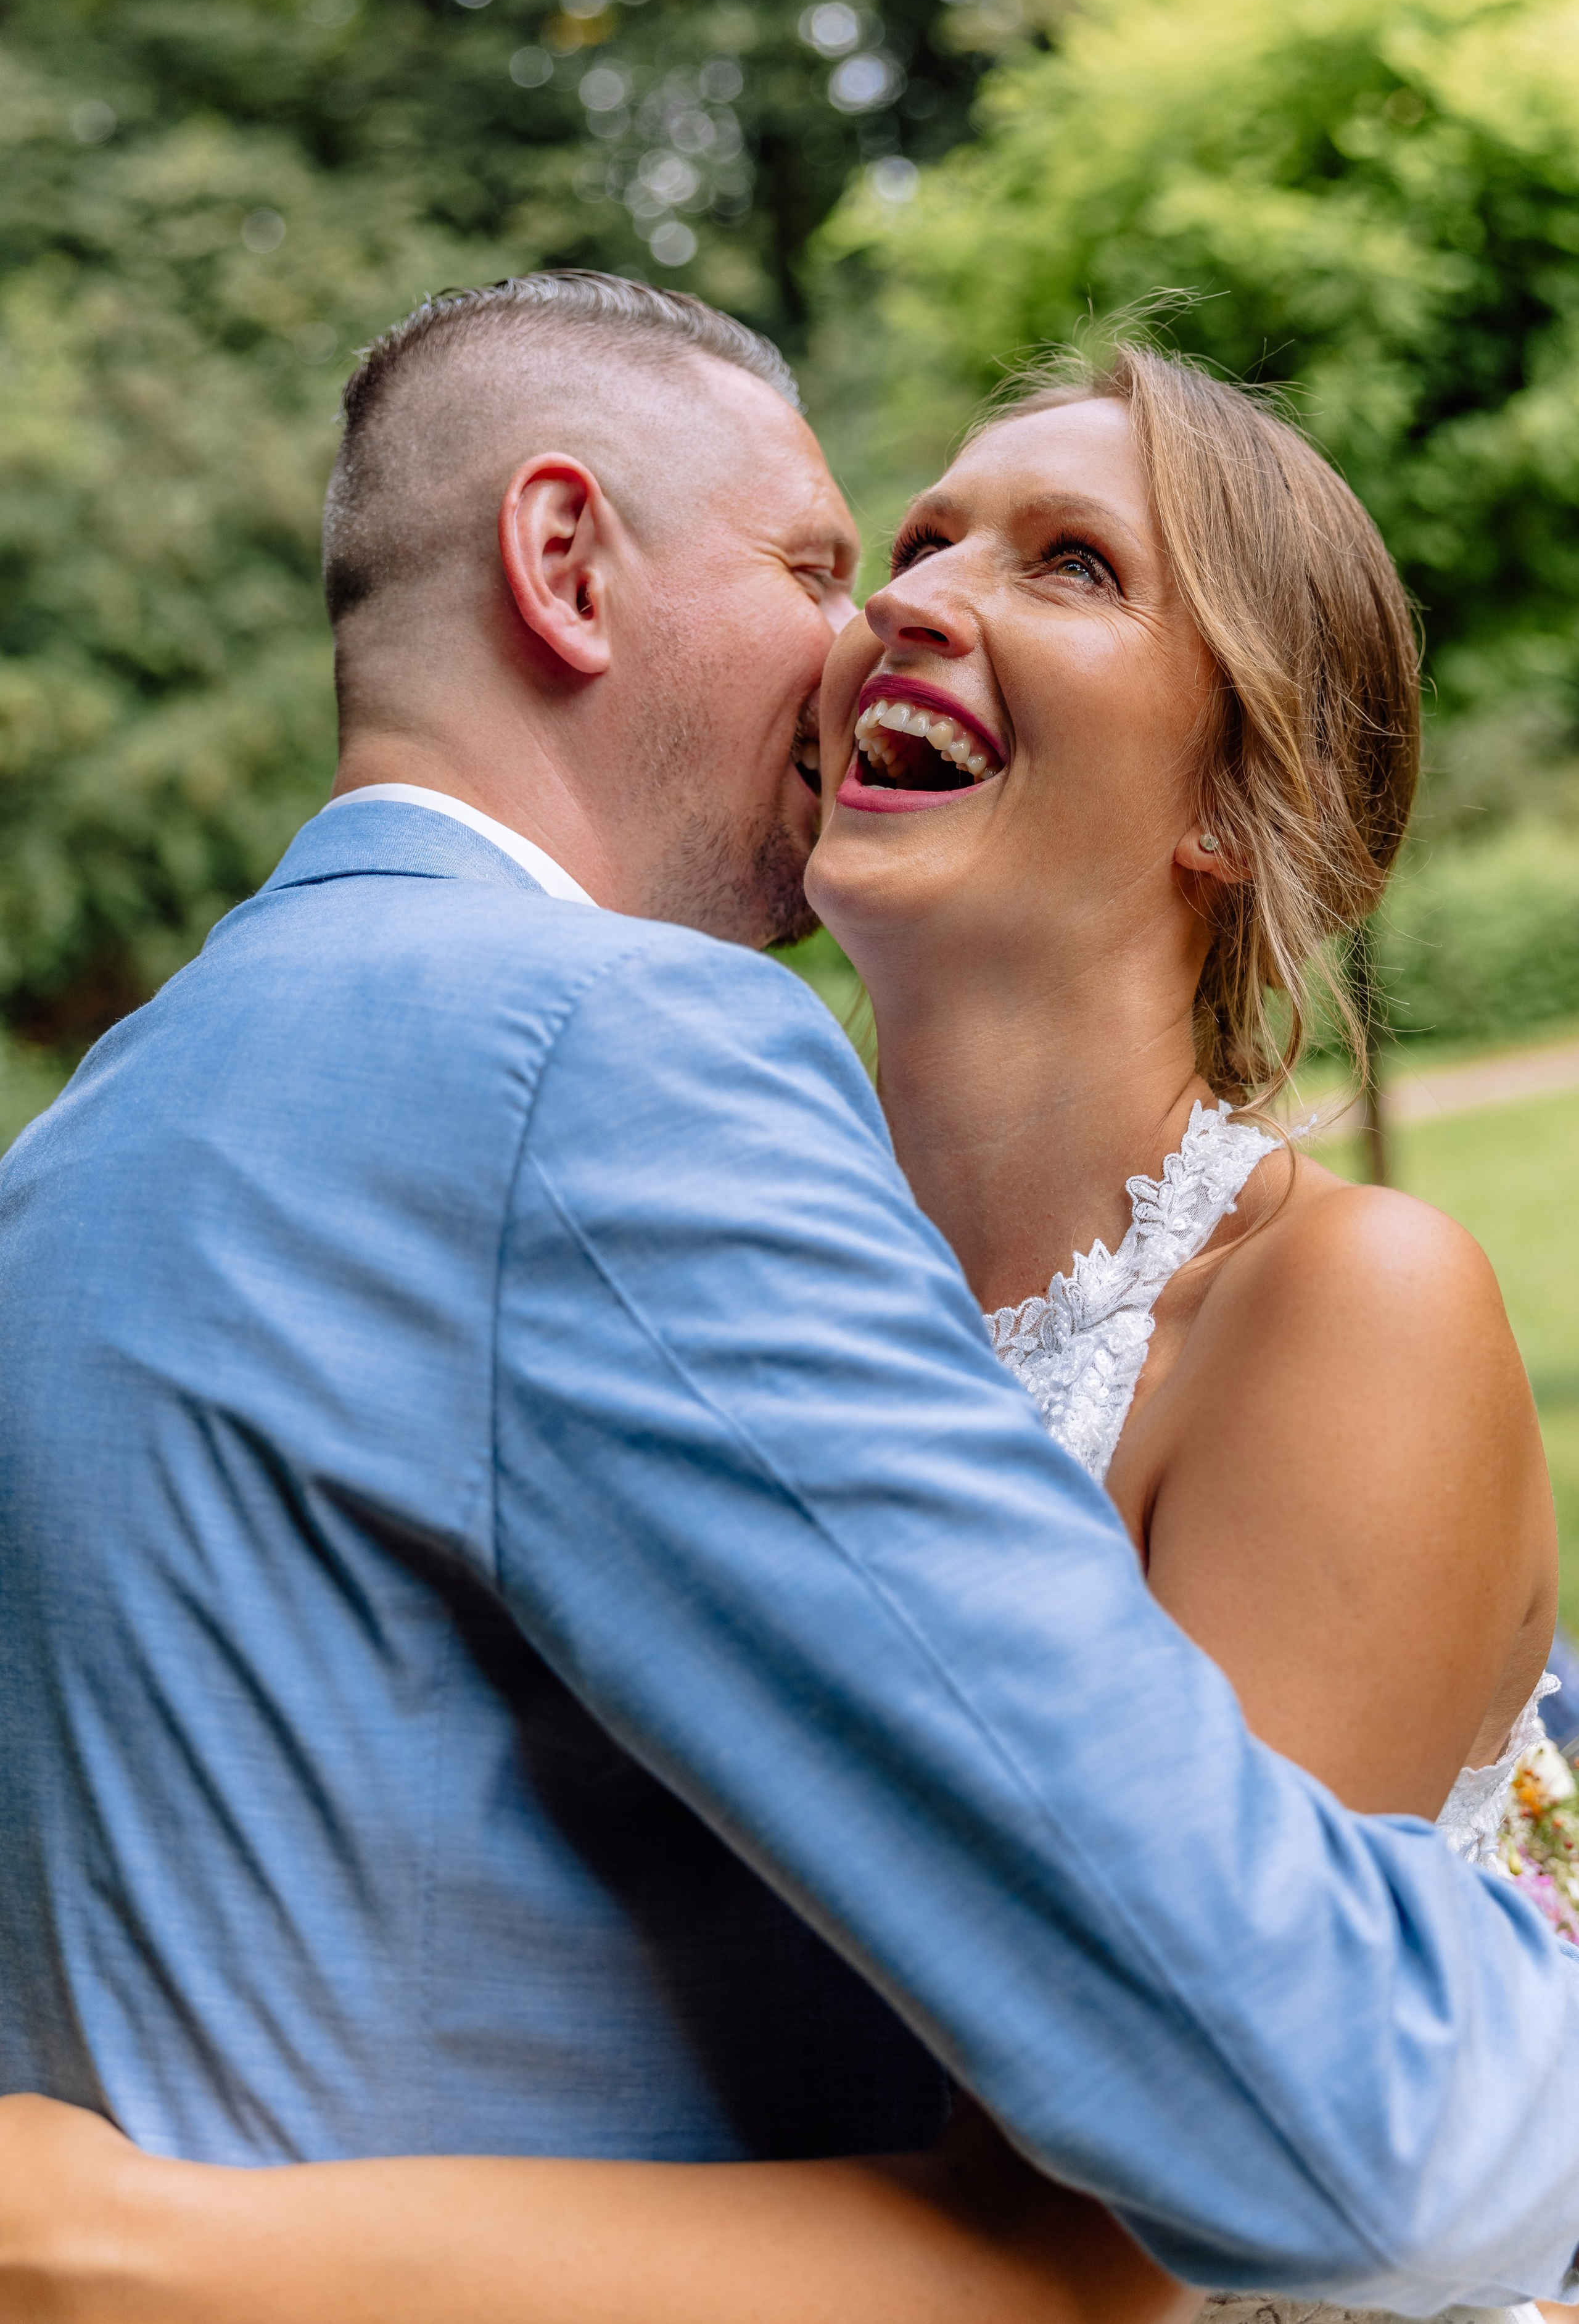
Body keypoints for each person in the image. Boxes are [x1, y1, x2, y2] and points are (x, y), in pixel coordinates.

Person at [2, 278, 1578, 2324]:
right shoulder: (672, 1244)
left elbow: (1142, 2235)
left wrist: (102, 2242)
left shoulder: (1346, 1304)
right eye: (894, 551)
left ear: (1230, 795)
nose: (900, 609)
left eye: (1072, 565)